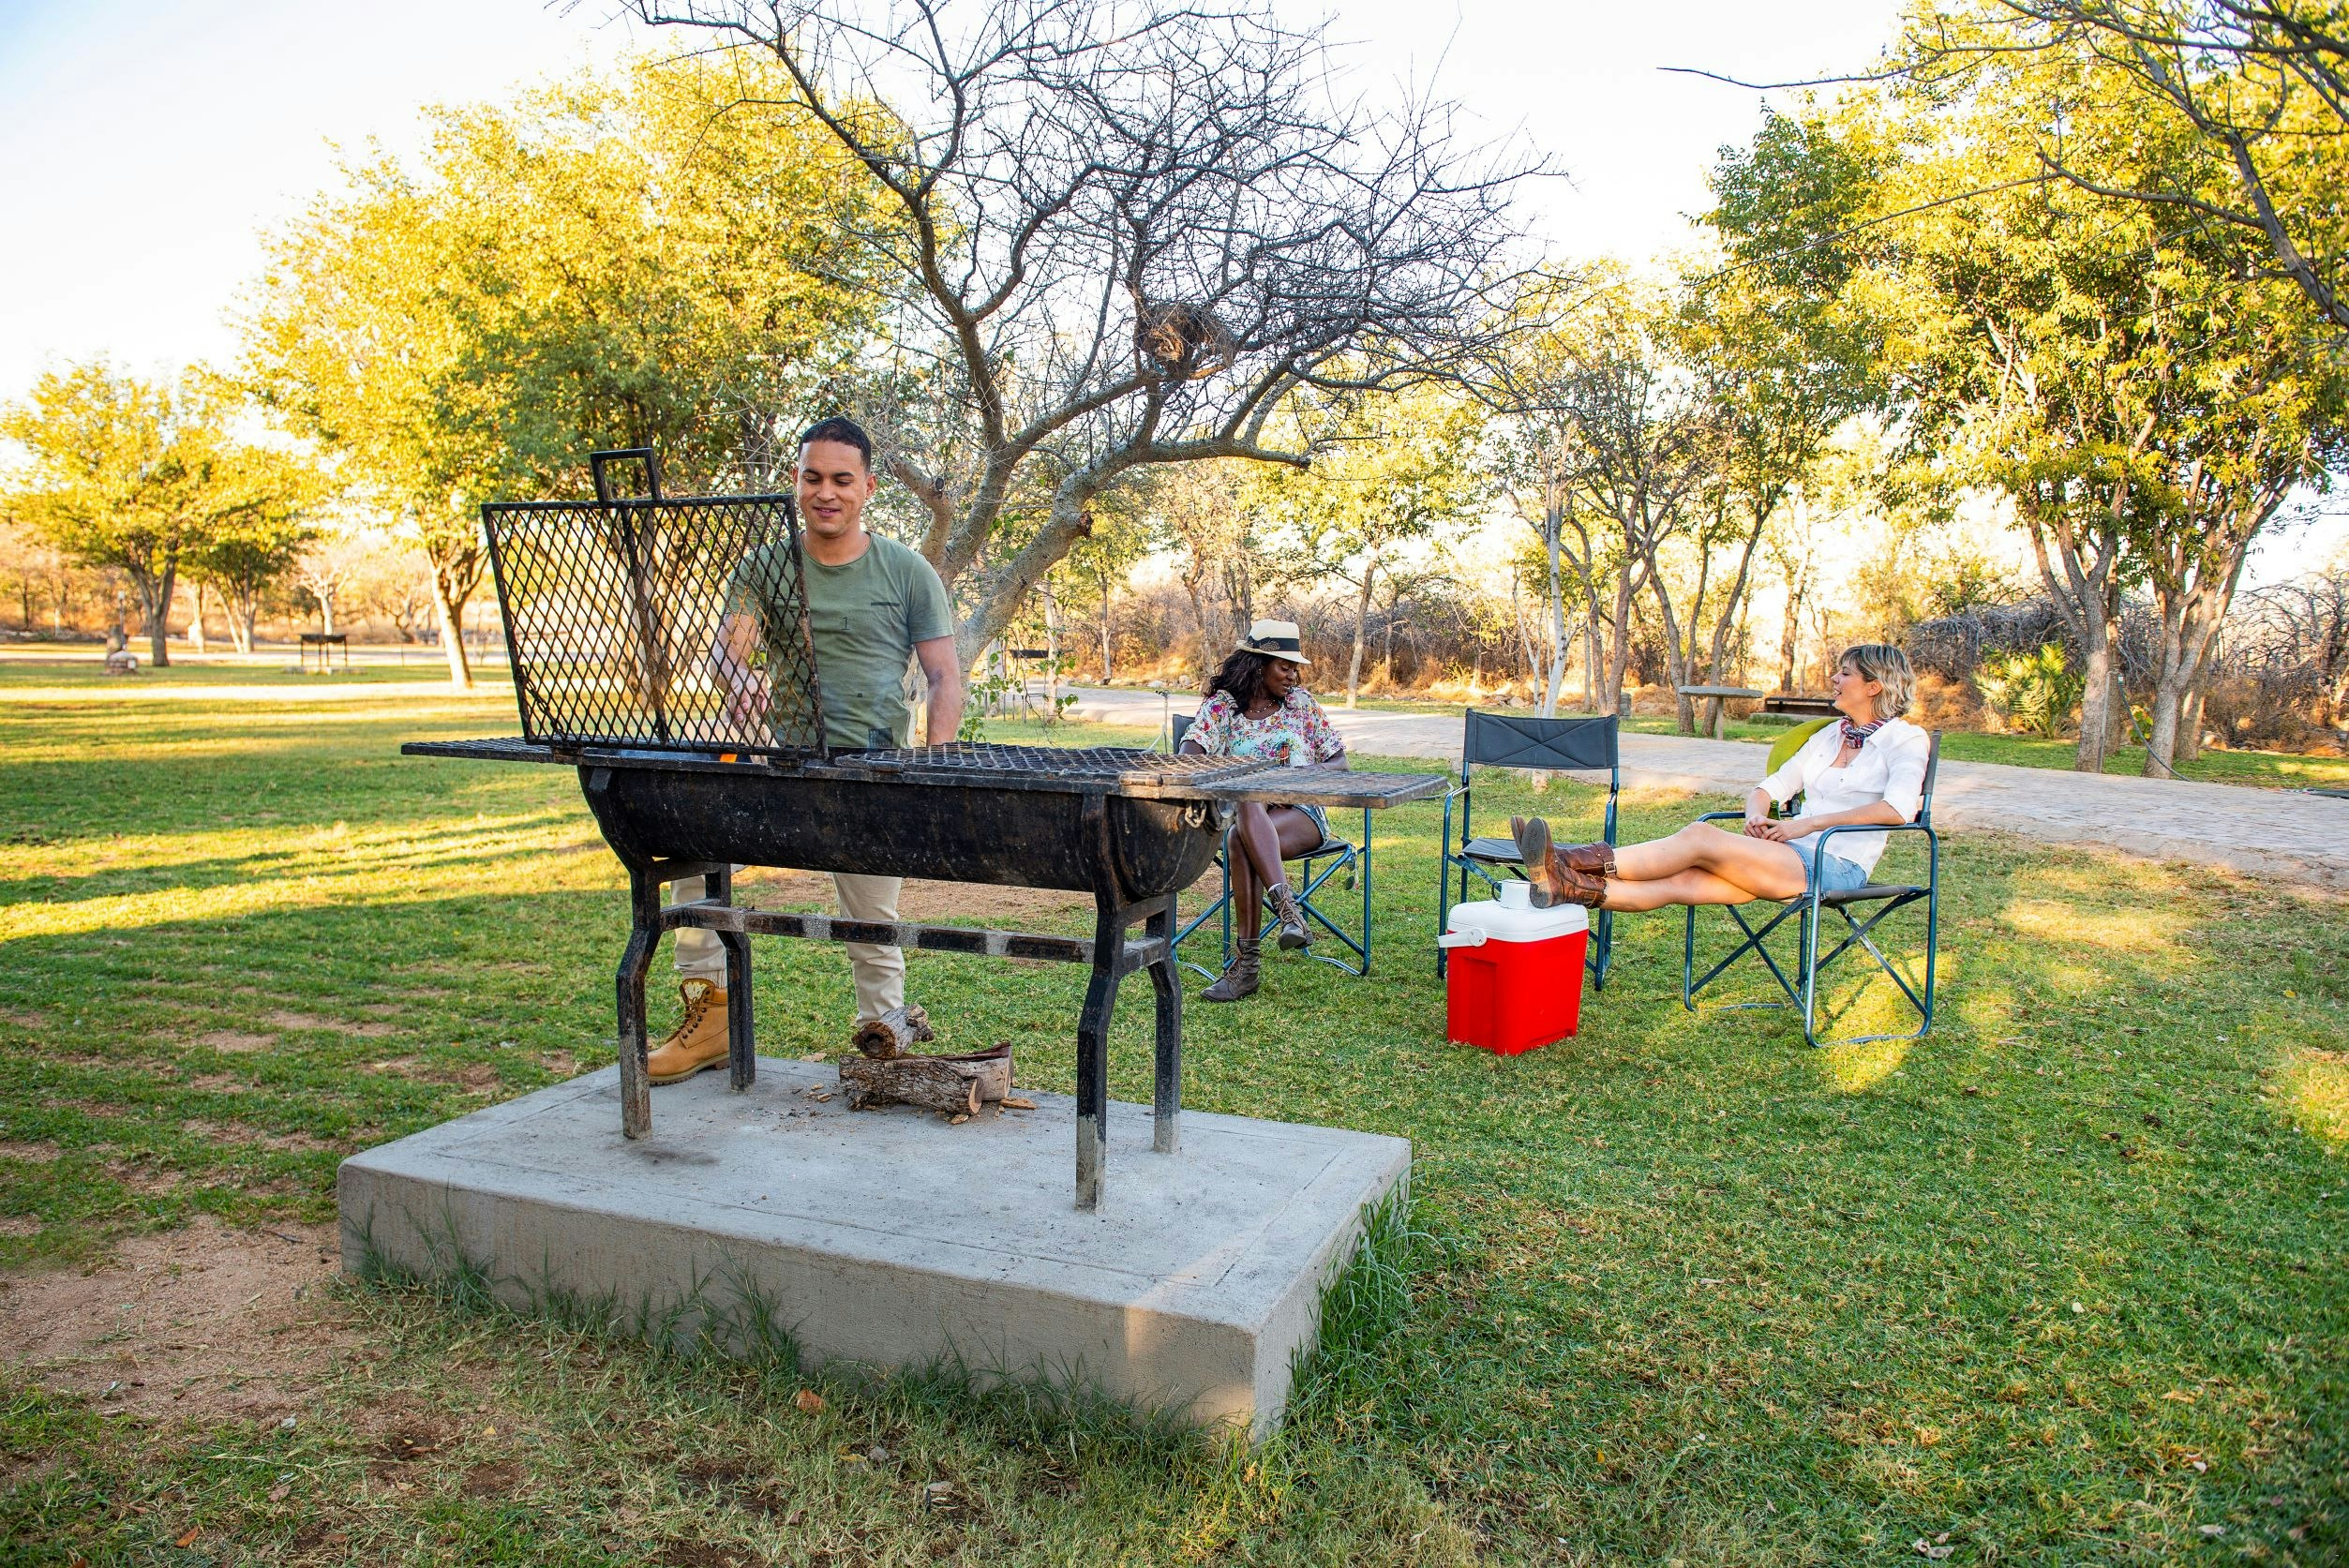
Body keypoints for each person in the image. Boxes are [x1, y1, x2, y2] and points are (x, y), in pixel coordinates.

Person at [645, 416, 965, 1084]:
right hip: (782, 767)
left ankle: (884, 1043)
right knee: (694, 859)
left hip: (872, 771)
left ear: (867, 487)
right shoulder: (765, 566)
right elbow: (728, 652)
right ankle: (711, 1019)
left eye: (842, 480)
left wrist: (934, 768)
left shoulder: (907, 570)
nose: (826, 492)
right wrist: (739, 678)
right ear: (796, 482)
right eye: (813, 477)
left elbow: (943, 677)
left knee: (872, 922)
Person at [1514, 644, 1931, 912]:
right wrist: (1756, 815)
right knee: (1679, 882)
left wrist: (1805, 825)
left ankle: (1565, 860)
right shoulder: (1828, 736)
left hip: (1835, 864)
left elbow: (1897, 810)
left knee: (1701, 836)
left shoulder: (1906, 739)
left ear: (1874, 686)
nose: (1835, 680)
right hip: (1784, 856)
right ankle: (1565, 888)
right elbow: (1770, 788)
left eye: (1845, 673)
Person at [1179, 619, 1348, 1003]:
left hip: (1301, 815)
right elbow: (1189, 754)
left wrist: (1290, 781)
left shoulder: (1301, 705)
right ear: (1258, 665)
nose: (1293, 676)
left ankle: (1246, 969)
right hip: (1244, 817)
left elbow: (1339, 763)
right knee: (1243, 819)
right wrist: (1228, 773)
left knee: (1241, 830)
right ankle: (1289, 912)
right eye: (1284, 667)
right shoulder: (1223, 707)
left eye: (1295, 668)